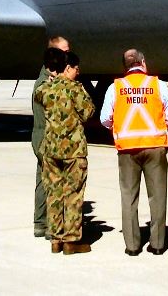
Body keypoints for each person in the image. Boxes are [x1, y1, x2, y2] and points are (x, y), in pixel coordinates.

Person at [100, 48, 168, 255]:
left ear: (125, 67)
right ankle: (158, 244)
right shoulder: (158, 85)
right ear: (143, 63)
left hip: (127, 150)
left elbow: (105, 119)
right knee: (158, 196)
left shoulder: (115, 88)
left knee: (129, 197)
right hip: (155, 148)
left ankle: (132, 246)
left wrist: (123, 128)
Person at [34, 47, 95, 254]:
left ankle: (55, 239)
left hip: (51, 149)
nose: (78, 72)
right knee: (73, 194)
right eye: (76, 68)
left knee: (54, 193)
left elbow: (38, 98)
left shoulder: (44, 90)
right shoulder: (75, 89)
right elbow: (88, 113)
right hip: (73, 150)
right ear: (67, 67)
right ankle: (71, 241)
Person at [32, 35, 71, 240]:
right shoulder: (47, 83)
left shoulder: (46, 78)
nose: (68, 55)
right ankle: (51, 226)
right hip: (46, 138)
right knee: (55, 182)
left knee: (43, 180)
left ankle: (41, 222)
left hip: (42, 137)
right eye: (65, 52)